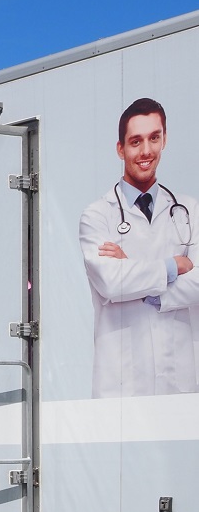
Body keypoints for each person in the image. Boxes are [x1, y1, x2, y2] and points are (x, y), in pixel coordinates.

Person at [80, 97, 199, 397]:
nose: (146, 151)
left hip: (179, 378)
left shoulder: (189, 211)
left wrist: (135, 274)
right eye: (136, 141)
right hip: (122, 382)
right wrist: (174, 266)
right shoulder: (97, 216)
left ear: (164, 139)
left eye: (154, 138)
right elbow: (111, 282)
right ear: (121, 148)